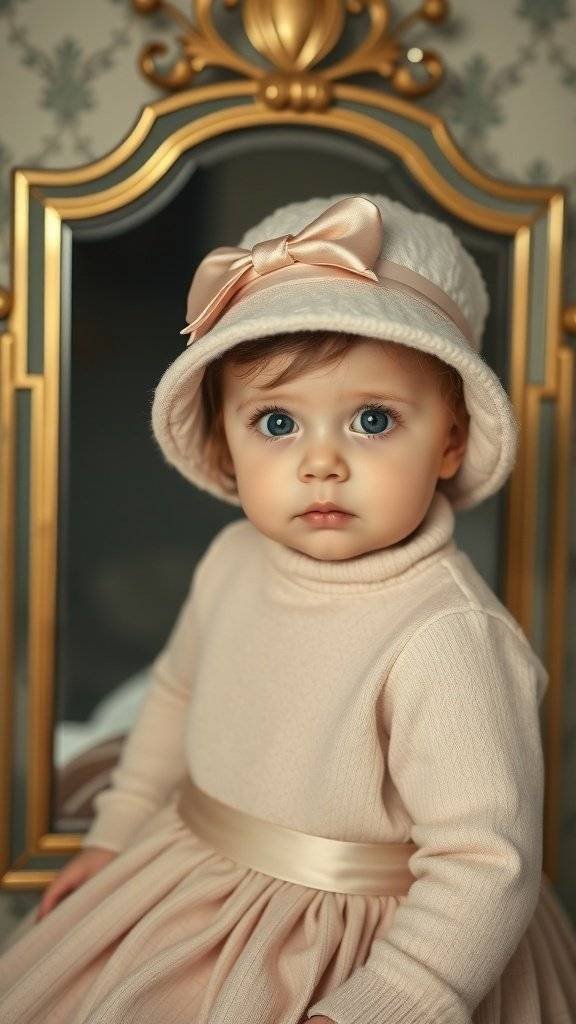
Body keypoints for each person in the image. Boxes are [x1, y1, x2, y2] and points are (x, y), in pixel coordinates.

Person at [1, 192, 575, 1024]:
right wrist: (113, 833)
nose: (322, 465)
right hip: (187, 884)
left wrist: (388, 1001)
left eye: (373, 420)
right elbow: (175, 696)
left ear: (451, 438)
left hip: (363, 940)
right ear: (223, 439)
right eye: (277, 421)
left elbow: (488, 866)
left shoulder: (449, 635)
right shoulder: (233, 559)